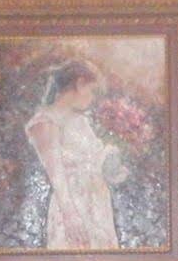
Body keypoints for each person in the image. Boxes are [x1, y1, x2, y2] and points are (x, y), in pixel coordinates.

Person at [25, 58, 127, 251]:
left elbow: (94, 160)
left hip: (97, 204)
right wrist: (71, 216)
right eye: (92, 91)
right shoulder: (46, 121)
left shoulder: (80, 121)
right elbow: (55, 173)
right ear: (80, 84)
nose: (92, 98)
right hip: (73, 206)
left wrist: (113, 171)